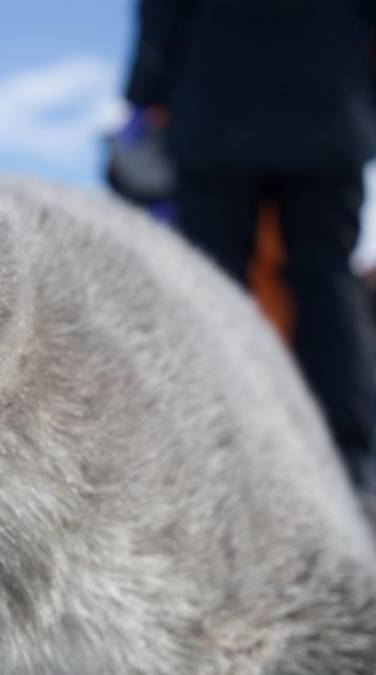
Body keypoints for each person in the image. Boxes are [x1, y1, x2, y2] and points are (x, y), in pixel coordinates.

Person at [124, 0, 376, 488]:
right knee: (326, 284)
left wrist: (144, 91)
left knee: (211, 287)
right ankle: (351, 457)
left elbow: (163, 13)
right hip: (329, 105)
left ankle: (211, 445)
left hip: (215, 105)